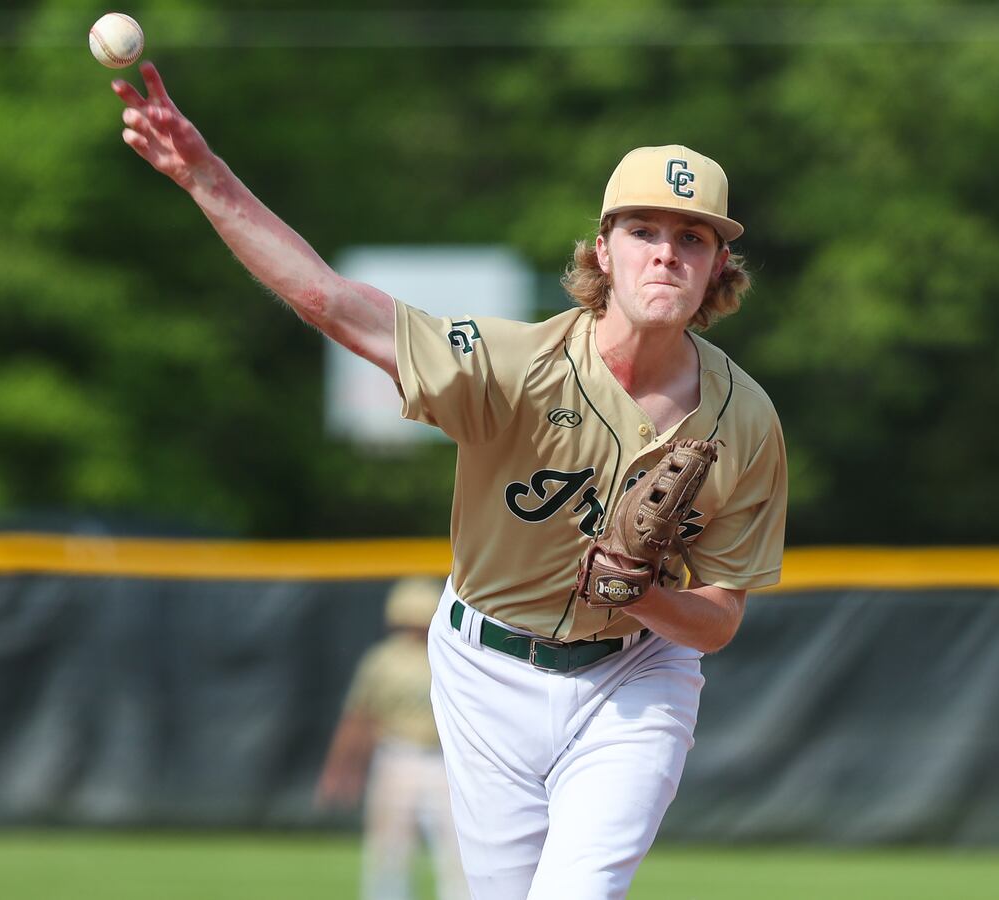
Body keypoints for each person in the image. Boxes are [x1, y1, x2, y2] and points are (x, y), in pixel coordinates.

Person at [114, 62, 787, 899]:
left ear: (719, 266)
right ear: (603, 249)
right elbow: (332, 302)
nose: (666, 254)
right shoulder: (515, 365)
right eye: (645, 231)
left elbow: (717, 622)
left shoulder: (745, 419)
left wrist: (640, 596)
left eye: (692, 238)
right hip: (486, 670)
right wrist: (204, 176)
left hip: (633, 674)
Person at [316, 577, 468, 900]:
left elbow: (357, 721)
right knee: (392, 855)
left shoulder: (440, 654)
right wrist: (340, 770)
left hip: (436, 761)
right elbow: (359, 720)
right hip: (403, 757)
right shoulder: (393, 659)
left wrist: (339, 770)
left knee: (455, 855)